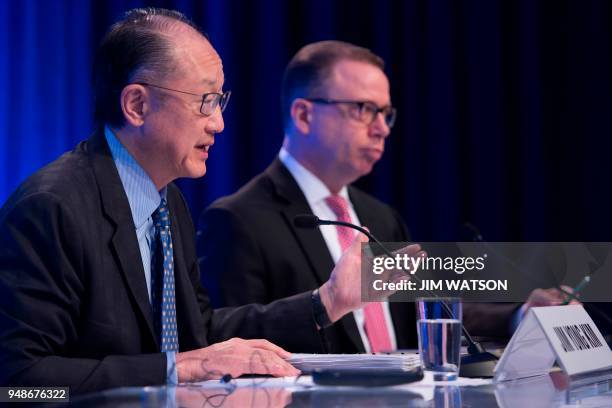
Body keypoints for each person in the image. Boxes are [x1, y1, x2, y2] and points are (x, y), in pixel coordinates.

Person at [0, 9, 420, 394]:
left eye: (220, 101)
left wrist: (325, 302)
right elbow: (19, 383)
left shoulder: (169, 205)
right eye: (205, 101)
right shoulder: (50, 208)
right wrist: (174, 368)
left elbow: (198, 335)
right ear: (137, 104)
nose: (218, 122)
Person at [198, 41, 566, 353]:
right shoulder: (237, 219)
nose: (380, 129)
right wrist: (324, 302)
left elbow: (423, 312)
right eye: (363, 110)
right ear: (304, 115)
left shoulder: (379, 215)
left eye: (386, 114)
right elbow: (229, 343)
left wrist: (519, 316)